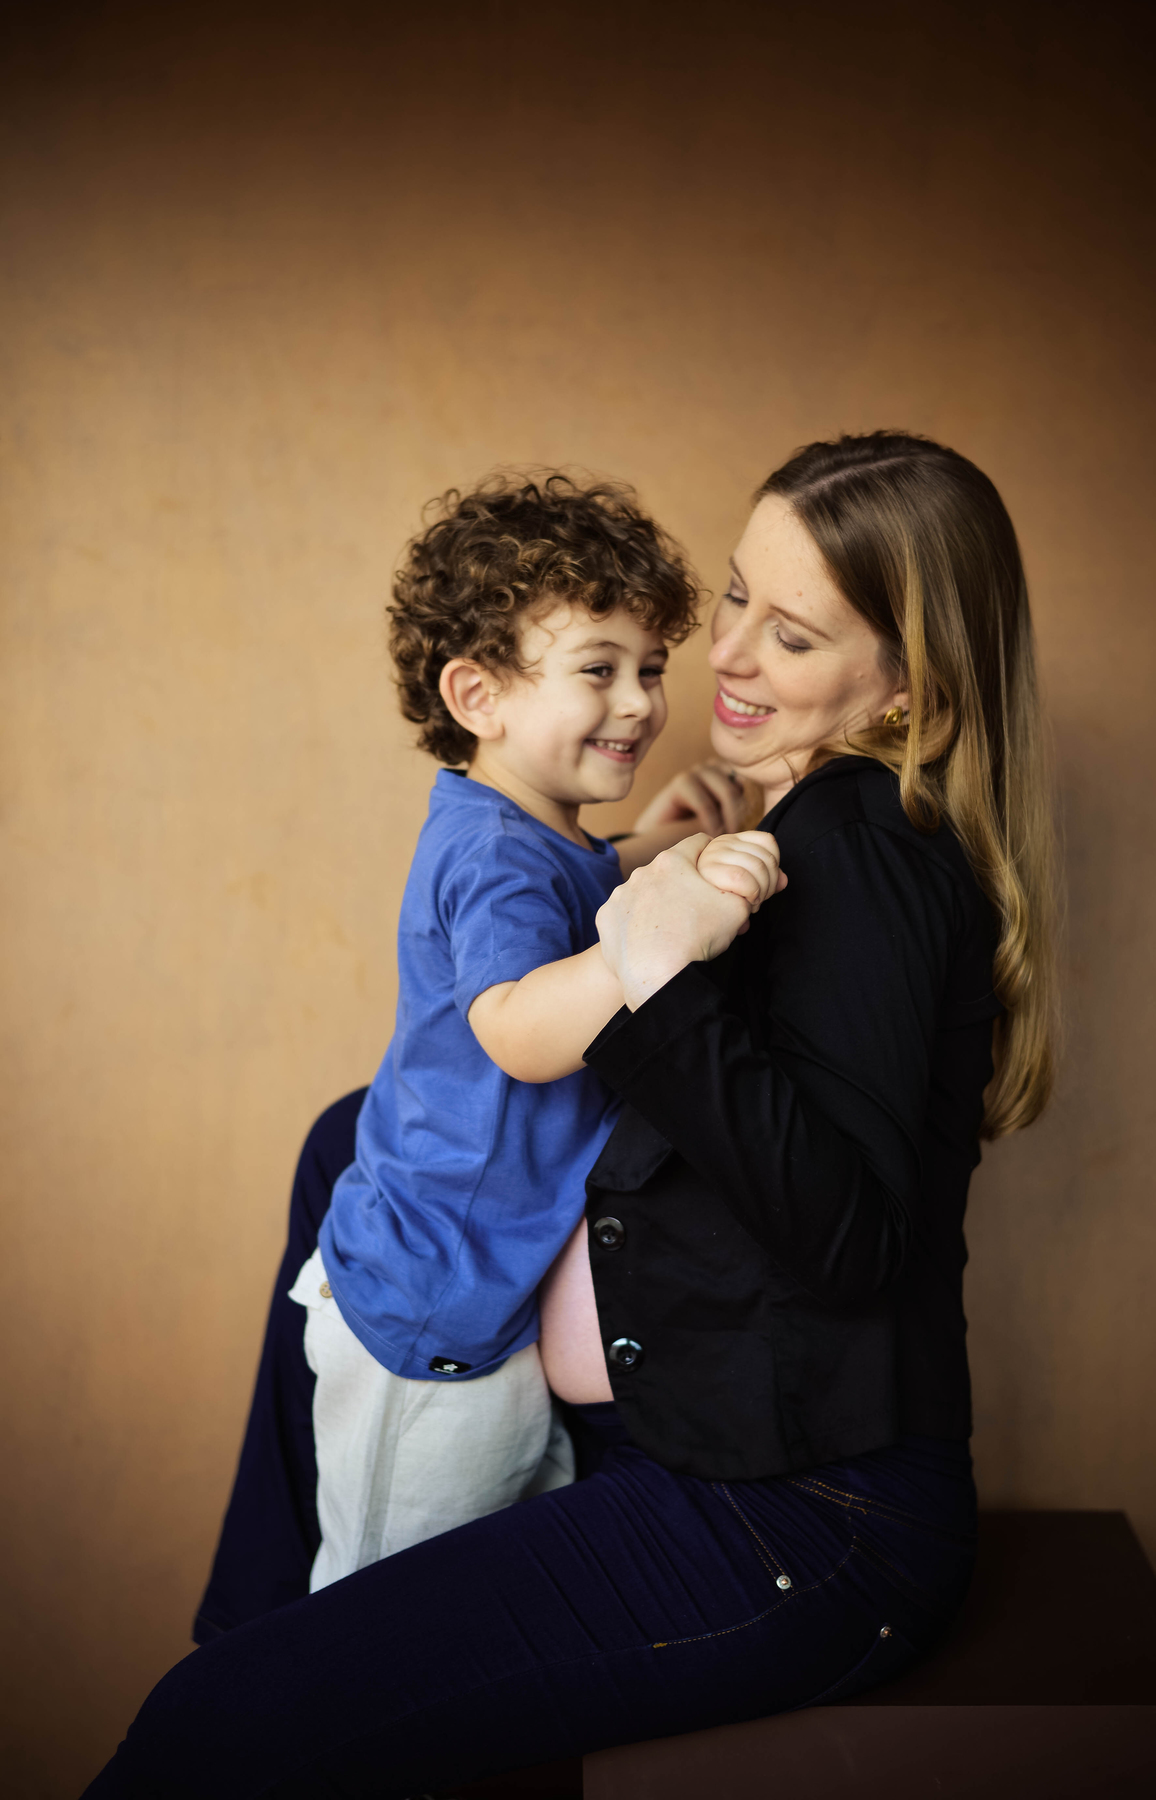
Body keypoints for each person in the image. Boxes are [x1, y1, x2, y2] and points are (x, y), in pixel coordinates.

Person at [84, 432, 1056, 1798]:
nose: (720, 662)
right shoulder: (784, 825)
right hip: (678, 1441)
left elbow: (847, 1235)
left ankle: (268, 1662)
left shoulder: (866, 858)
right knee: (347, 1142)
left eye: (790, 636)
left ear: (907, 687)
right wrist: (650, 873)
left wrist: (645, 968)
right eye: (732, 601)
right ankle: (276, 1624)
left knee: (206, 1731)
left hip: (794, 1514)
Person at [271, 472, 772, 1593]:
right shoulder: (498, 855)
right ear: (478, 694)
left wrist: (650, 845)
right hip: (430, 1322)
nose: (642, 702)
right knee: (382, 1611)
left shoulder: (534, 832)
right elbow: (517, 1029)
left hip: (475, 1307)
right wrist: (651, 943)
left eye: (651, 668)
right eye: (599, 669)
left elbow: (574, 899)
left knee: (486, 1590)